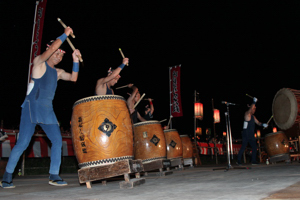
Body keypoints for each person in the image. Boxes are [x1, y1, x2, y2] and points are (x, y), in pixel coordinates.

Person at [1, 27, 82, 188]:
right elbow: (53, 47)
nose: (58, 56)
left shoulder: (57, 72)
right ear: (49, 50)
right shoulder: (39, 63)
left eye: (61, 55)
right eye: (57, 53)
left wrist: (74, 60)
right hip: (32, 107)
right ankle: (7, 177)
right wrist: (65, 34)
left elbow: (73, 78)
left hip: (47, 110)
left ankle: (54, 175)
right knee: (23, 143)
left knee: (57, 141)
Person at [237, 97, 268, 165]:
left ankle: (253, 161)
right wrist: (254, 102)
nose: (254, 110)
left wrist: (263, 124)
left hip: (251, 134)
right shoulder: (247, 114)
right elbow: (250, 109)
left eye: (255, 108)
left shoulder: (253, 117)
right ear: (249, 106)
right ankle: (238, 160)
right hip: (246, 134)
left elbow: (258, 123)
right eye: (253, 108)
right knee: (243, 147)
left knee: (254, 147)